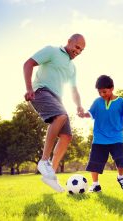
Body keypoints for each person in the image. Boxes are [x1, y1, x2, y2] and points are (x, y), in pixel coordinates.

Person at [23, 34, 86, 192]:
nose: (78, 51)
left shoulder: (72, 68)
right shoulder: (52, 51)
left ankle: (50, 175)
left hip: (57, 98)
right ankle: (44, 161)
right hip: (41, 91)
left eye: (81, 50)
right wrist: (29, 88)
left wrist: (78, 105)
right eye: (77, 47)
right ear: (69, 41)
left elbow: (73, 89)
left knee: (67, 136)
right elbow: (28, 64)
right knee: (61, 116)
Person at [79, 75, 123, 192]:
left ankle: (121, 177)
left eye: (104, 91)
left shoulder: (121, 101)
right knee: (94, 162)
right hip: (99, 138)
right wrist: (83, 114)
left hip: (116, 138)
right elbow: (90, 114)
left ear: (112, 88)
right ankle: (95, 184)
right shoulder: (97, 102)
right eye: (99, 92)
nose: (102, 94)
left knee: (120, 160)